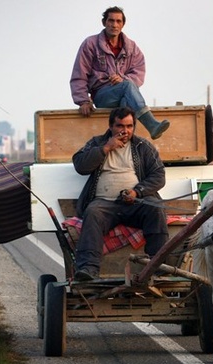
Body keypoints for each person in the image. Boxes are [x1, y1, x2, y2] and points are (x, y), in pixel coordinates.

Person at [72, 107, 169, 281]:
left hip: (135, 203)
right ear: (111, 126)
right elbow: (80, 165)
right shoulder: (97, 143)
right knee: (92, 212)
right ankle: (88, 268)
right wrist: (106, 148)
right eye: (120, 126)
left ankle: (158, 266)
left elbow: (158, 176)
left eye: (129, 126)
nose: (125, 131)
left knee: (156, 209)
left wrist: (137, 192)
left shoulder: (142, 146)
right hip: (104, 204)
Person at [70, 6, 170, 140]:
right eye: (111, 21)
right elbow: (79, 74)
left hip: (125, 95)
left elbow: (139, 73)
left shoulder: (131, 47)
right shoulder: (90, 44)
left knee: (126, 100)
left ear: (123, 24)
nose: (114, 25)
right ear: (104, 22)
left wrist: (122, 79)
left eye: (118, 21)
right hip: (102, 95)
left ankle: (124, 141)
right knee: (127, 85)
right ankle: (151, 125)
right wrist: (83, 101)